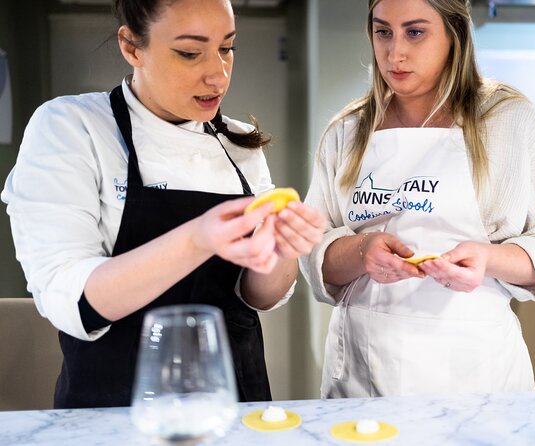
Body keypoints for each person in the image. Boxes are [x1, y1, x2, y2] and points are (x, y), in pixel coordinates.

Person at [1, 0, 325, 409]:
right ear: (132, 46)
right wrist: (197, 239)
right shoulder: (73, 127)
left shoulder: (237, 144)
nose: (218, 74)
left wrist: (281, 250)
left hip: (237, 406)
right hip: (115, 414)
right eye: (190, 52)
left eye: (227, 48)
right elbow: (75, 305)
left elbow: (255, 297)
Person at [299, 0, 535, 398]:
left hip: (476, 371)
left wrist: (488, 259)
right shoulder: (346, 132)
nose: (394, 53)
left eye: (415, 32)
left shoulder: (510, 122)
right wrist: (362, 250)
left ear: (455, 34)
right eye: (383, 32)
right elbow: (311, 251)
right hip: (364, 373)